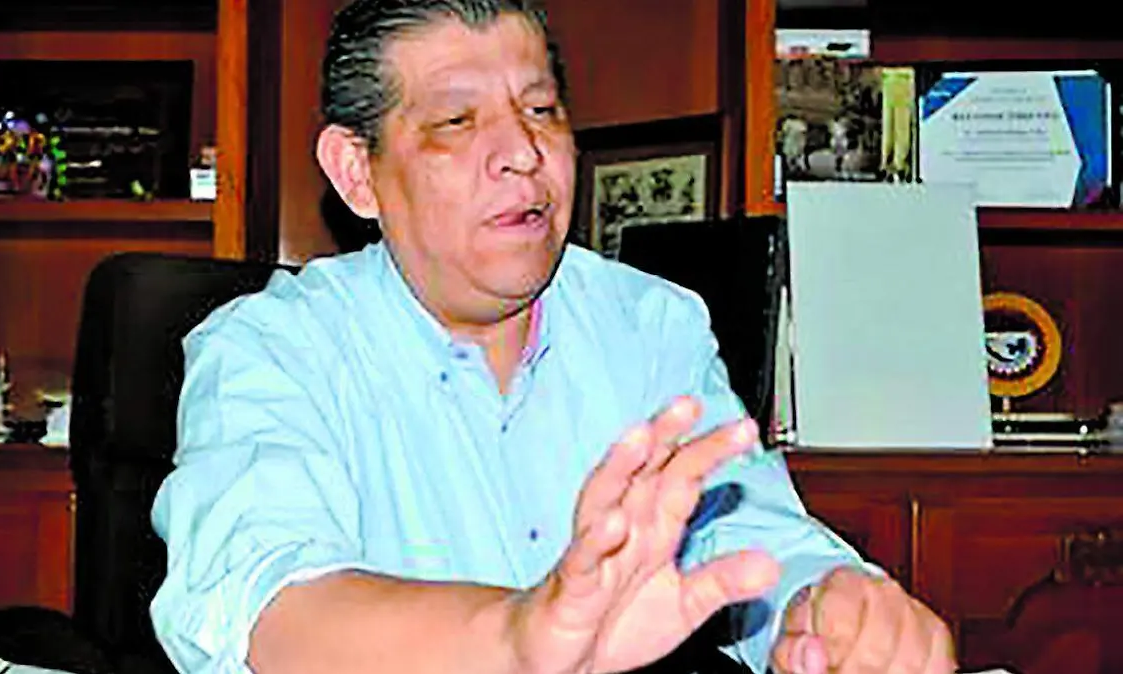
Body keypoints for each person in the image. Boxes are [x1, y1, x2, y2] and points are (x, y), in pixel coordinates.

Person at [149, 1, 956, 673]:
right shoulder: (270, 348)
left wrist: (831, 605)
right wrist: (518, 638)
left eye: (541, 110)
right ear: (358, 171)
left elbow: (746, 533)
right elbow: (263, 604)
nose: (524, 153)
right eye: (457, 120)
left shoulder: (649, 325)